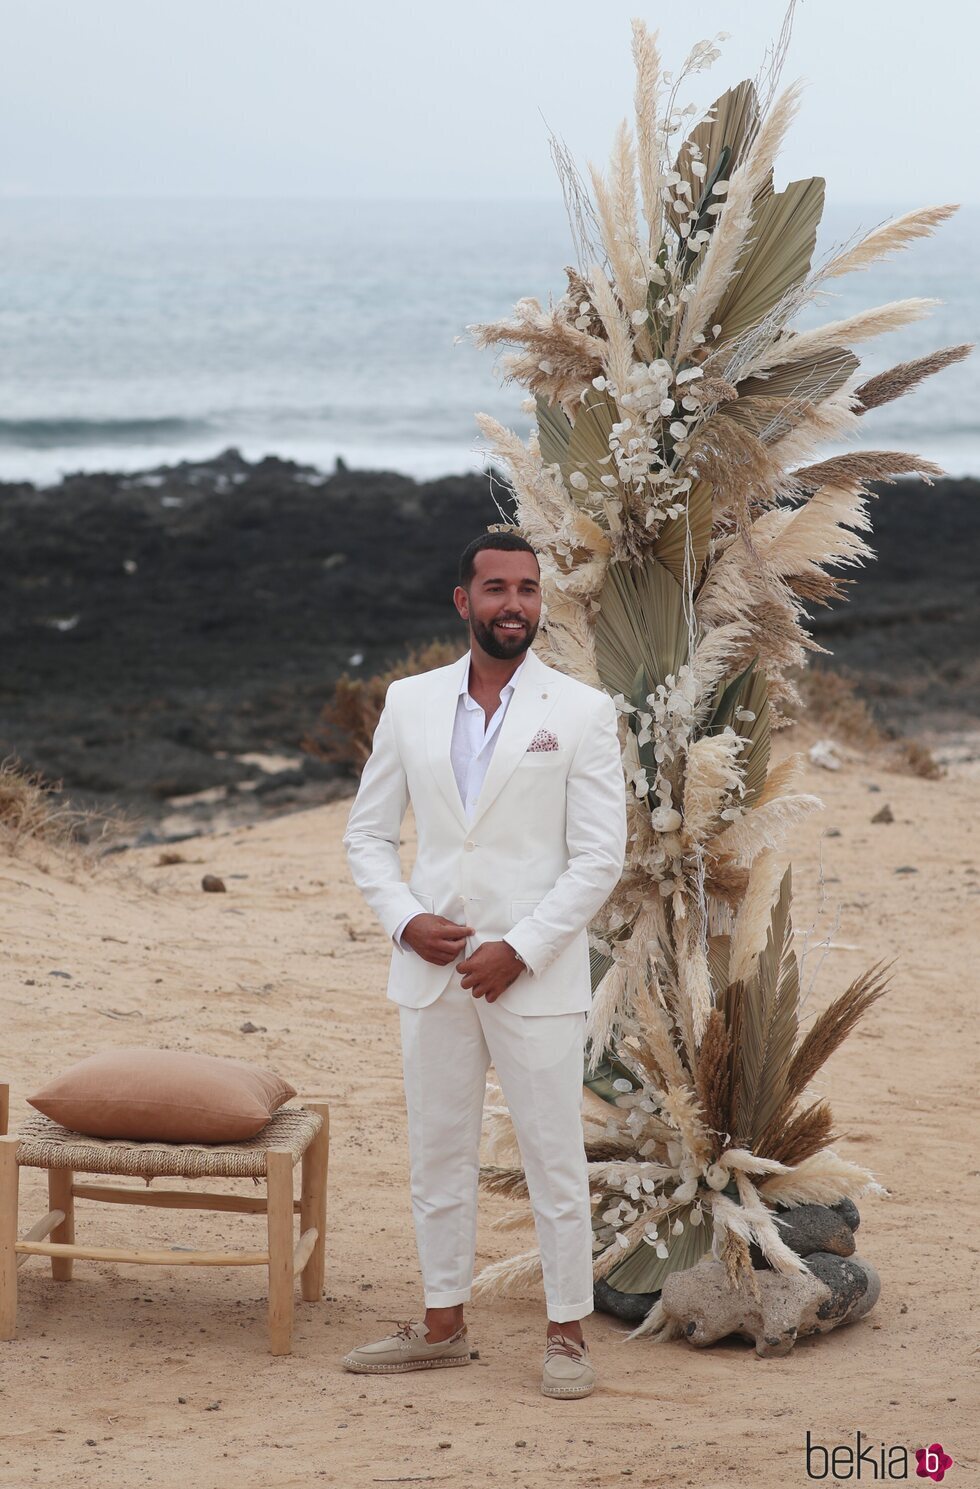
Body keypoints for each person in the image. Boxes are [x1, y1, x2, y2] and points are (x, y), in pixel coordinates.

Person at [340, 531, 627, 1398]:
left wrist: (522, 948)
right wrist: (403, 920)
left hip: (534, 972)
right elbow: (367, 834)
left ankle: (567, 1335)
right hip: (431, 970)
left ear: (541, 602)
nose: (515, 604)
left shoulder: (582, 711)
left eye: (529, 589)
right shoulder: (409, 701)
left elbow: (598, 857)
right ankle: (440, 1323)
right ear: (463, 601)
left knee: (554, 1157)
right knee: (437, 1150)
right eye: (497, 587)